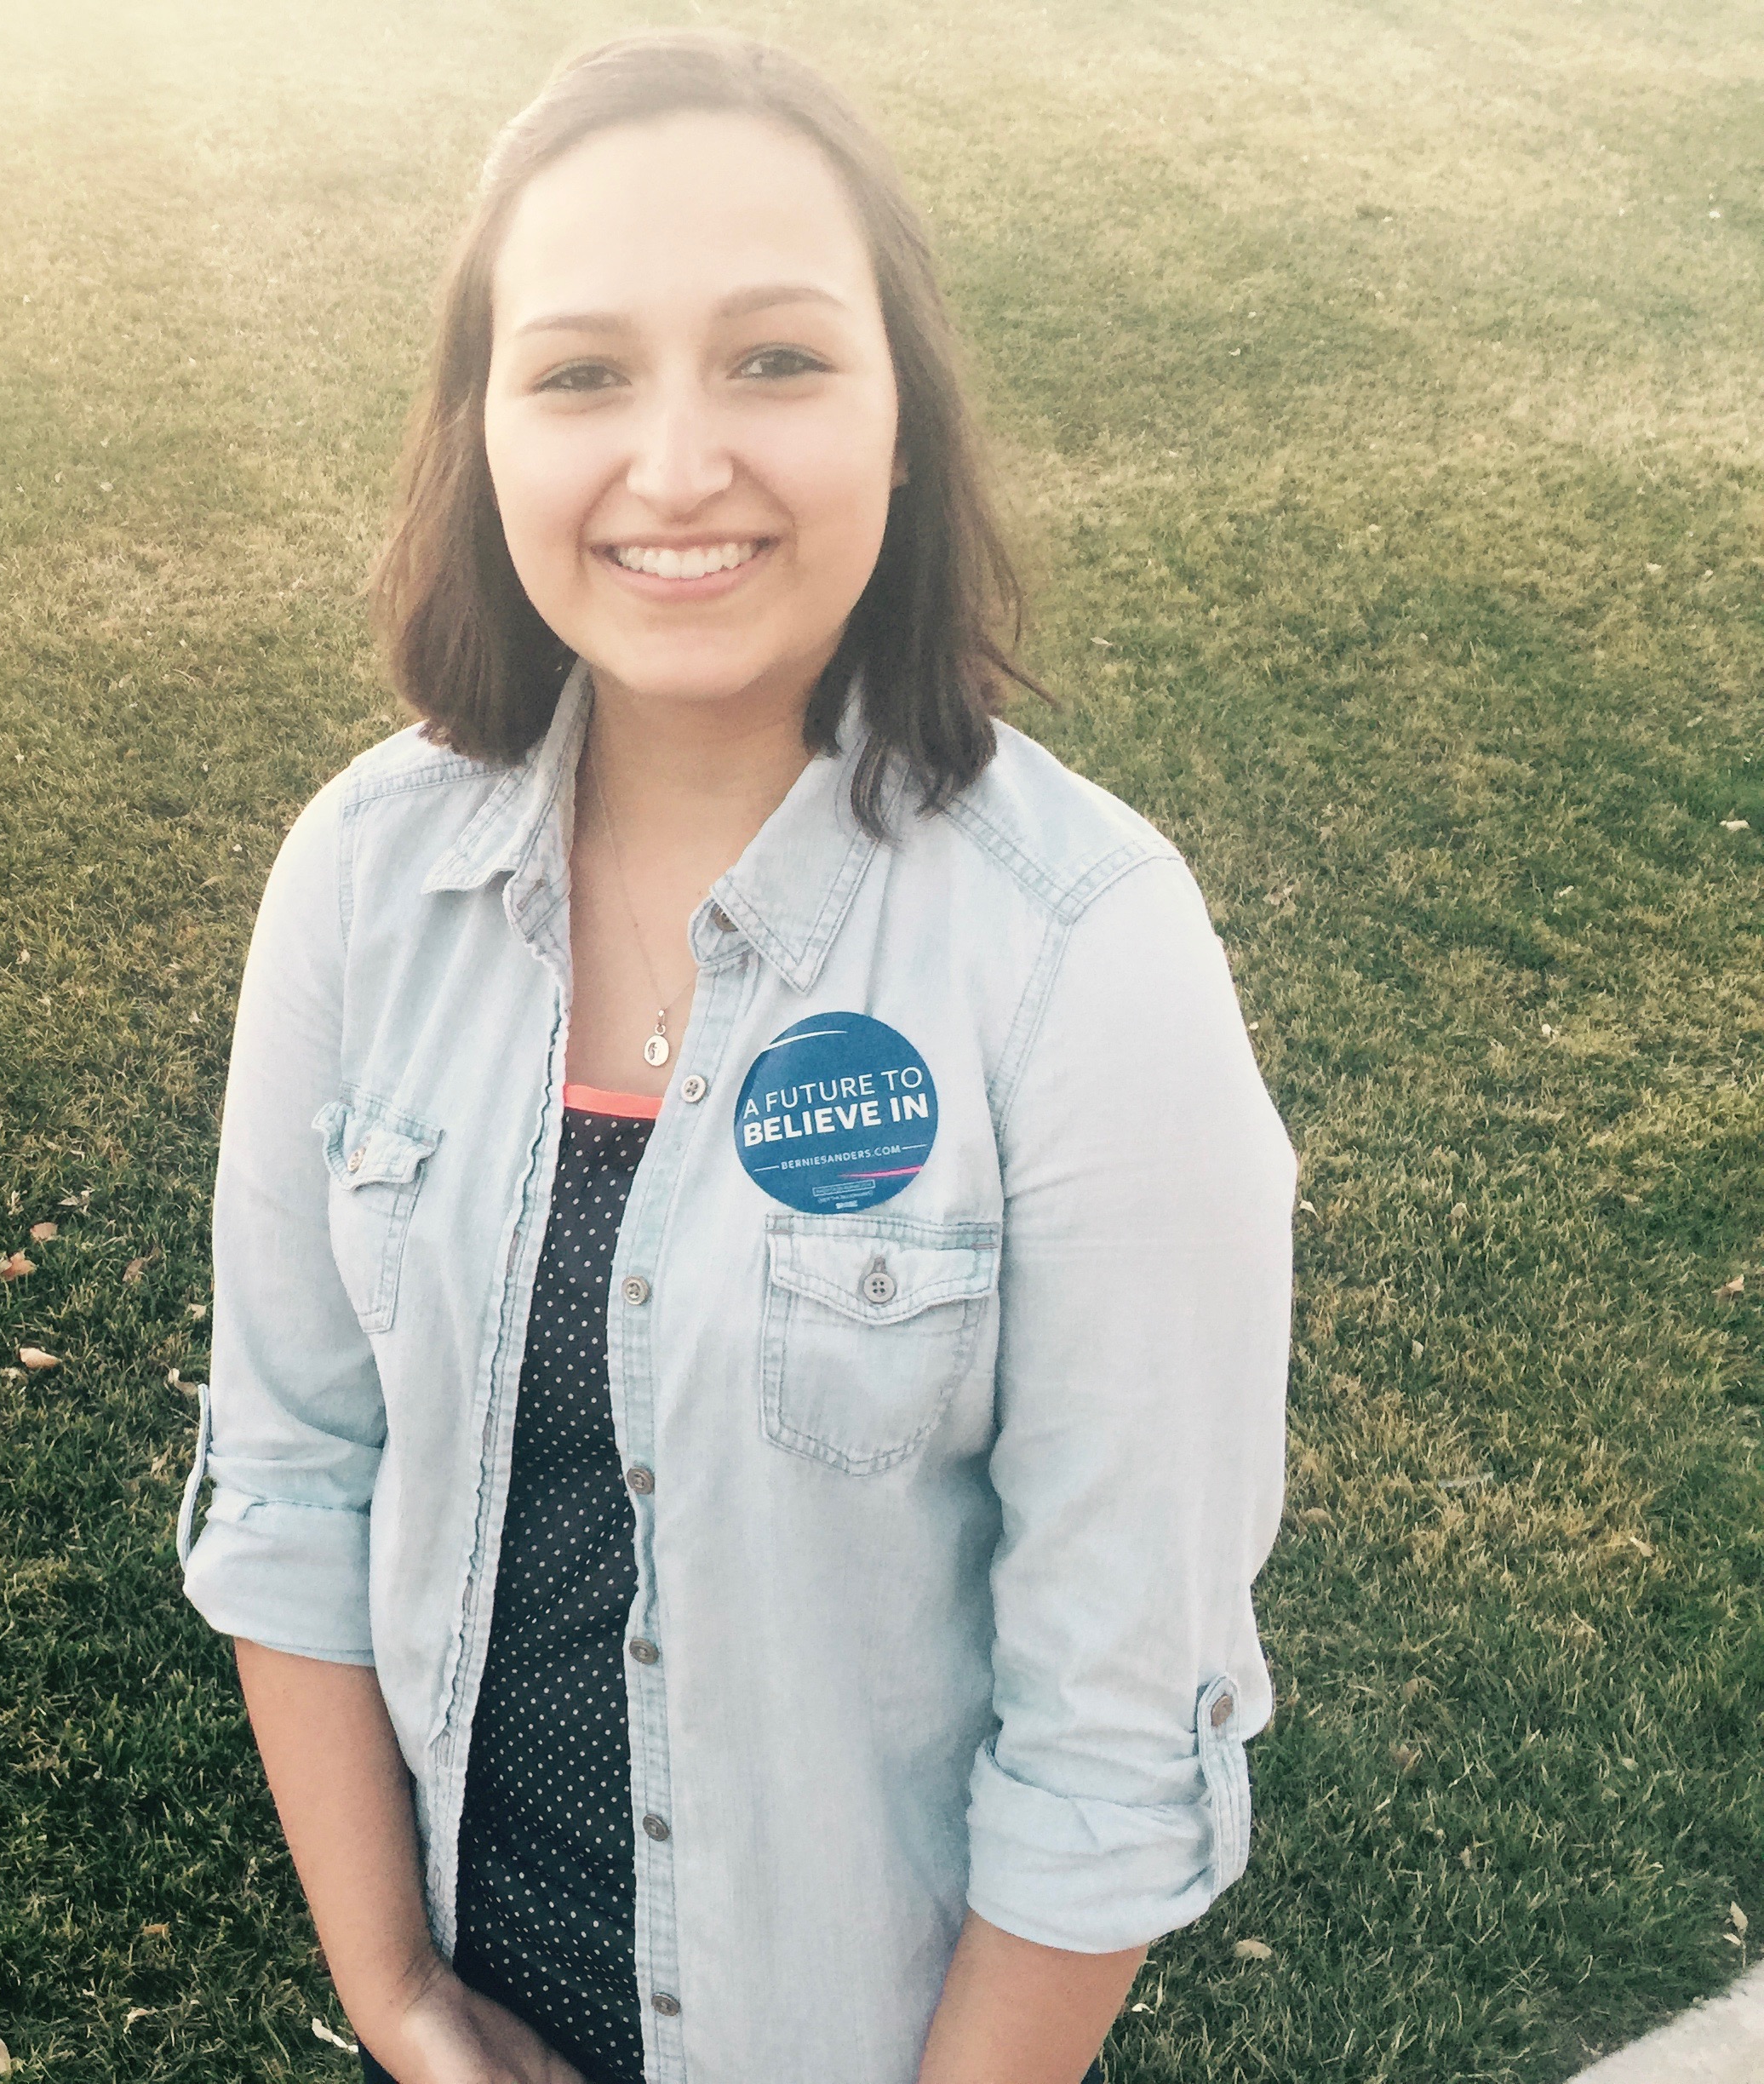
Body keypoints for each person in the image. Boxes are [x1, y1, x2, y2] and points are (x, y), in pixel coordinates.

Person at [175, 28, 1295, 2084]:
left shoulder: (1085, 961)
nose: (675, 464)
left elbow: (1112, 1717)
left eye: (775, 360)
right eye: (582, 370)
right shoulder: (358, 879)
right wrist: (397, 2001)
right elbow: (296, 1481)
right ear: (482, 427)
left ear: (904, 420)